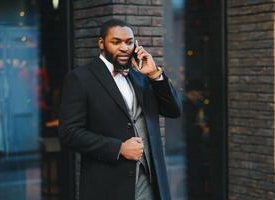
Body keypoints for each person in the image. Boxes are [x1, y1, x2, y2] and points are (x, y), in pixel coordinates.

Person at [58, 19, 182, 200]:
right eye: (116, 42)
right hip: (110, 187)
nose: (124, 48)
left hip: (151, 184)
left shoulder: (141, 76)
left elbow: (173, 110)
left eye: (129, 42)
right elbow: (69, 133)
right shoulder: (80, 78)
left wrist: (155, 74)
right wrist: (119, 148)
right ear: (101, 43)